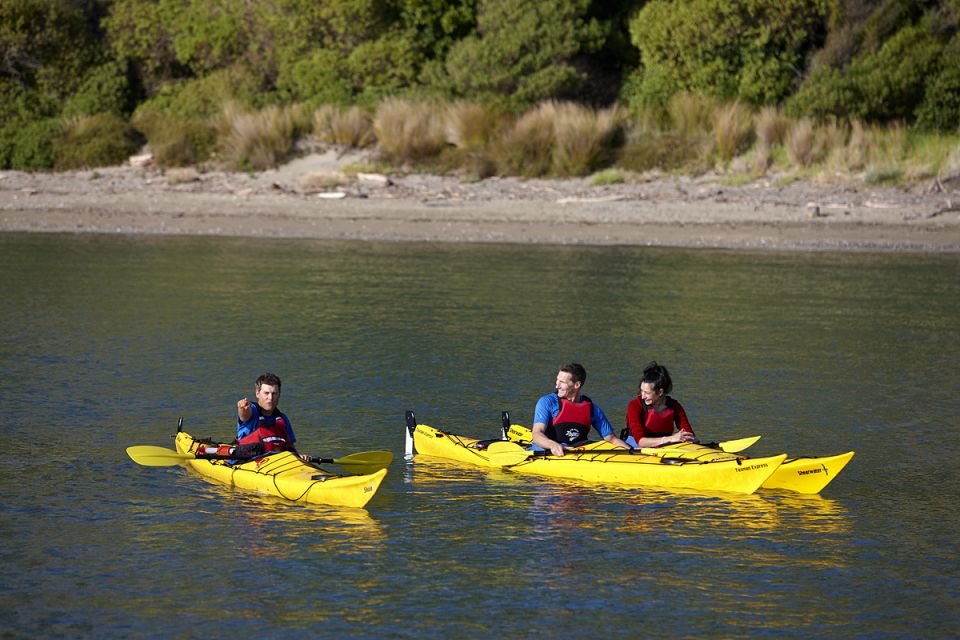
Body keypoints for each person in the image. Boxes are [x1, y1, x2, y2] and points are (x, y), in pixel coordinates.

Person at [198, 372, 310, 461]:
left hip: (277, 464)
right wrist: (242, 408)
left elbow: (290, 448)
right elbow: (244, 415)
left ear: (279, 395)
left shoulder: (282, 419)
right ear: (257, 393)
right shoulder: (252, 411)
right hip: (247, 463)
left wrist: (299, 457)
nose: (270, 398)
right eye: (266, 393)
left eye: (274, 393)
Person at [531, 362, 632, 457]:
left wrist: (632, 451)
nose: (557, 385)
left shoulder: (591, 408)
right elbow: (537, 433)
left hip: (579, 451)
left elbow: (611, 439)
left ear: (577, 385)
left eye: (562, 382)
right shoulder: (547, 402)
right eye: (557, 380)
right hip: (553, 450)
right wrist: (552, 445)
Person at [625, 361, 698, 448]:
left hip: (663, 447)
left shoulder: (674, 406)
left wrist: (690, 439)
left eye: (647, 393)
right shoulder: (634, 405)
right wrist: (671, 439)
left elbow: (689, 434)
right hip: (636, 447)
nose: (643, 396)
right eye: (641, 391)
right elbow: (641, 441)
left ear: (660, 392)